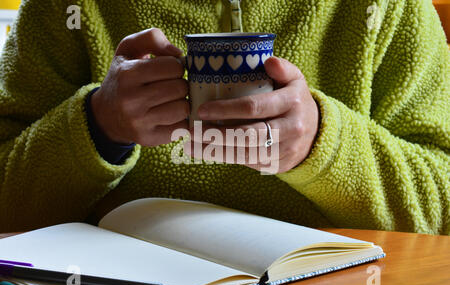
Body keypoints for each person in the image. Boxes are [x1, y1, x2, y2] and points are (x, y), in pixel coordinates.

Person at [0, 0, 448, 234]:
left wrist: (322, 144)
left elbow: (442, 202)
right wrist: (97, 126)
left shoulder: (390, 7)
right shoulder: (65, 7)